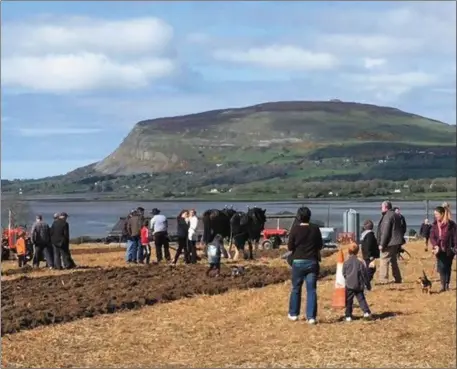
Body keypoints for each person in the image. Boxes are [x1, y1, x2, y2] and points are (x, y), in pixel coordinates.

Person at [287, 207, 323, 325]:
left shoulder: (295, 229)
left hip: (297, 261)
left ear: (298, 217)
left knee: (296, 288)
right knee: (311, 289)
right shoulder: (315, 228)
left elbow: (290, 247)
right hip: (312, 261)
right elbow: (320, 245)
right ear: (309, 216)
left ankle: (293, 314)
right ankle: (311, 317)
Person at [430, 205, 457, 292]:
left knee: (448, 267)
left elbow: (455, 237)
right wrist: (435, 245)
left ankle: (447, 284)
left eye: (437, 214)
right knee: (441, 267)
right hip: (439, 250)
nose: (436, 216)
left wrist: (455, 248)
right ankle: (442, 286)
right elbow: (432, 237)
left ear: (442, 214)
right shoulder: (434, 225)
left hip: (449, 249)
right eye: (435, 214)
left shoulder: (451, 225)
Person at [377, 201, 404, 284]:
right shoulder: (396, 215)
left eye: (382, 207)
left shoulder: (388, 216)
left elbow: (386, 231)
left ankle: (383, 279)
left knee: (384, 259)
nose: (381, 208)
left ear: (386, 207)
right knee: (393, 261)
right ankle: (398, 278)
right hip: (396, 242)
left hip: (389, 242)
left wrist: (382, 244)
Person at [343, 243, 372, 322]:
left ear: (348, 251)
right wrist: (368, 285)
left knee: (349, 301)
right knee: (361, 299)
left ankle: (348, 315)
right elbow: (364, 274)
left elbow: (344, 273)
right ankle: (366, 312)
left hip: (349, 285)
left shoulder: (346, 263)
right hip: (358, 284)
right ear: (357, 251)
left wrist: (347, 278)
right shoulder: (360, 263)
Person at [360, 219, 379, 283]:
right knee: (371, 269)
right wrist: (370, 255)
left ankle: (365, 281)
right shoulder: (370, 235)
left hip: (366, 254)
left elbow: (364, 246)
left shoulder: (364, 234)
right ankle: (366, 281)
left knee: (369, 268)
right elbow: (369, 245)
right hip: (369, 255)